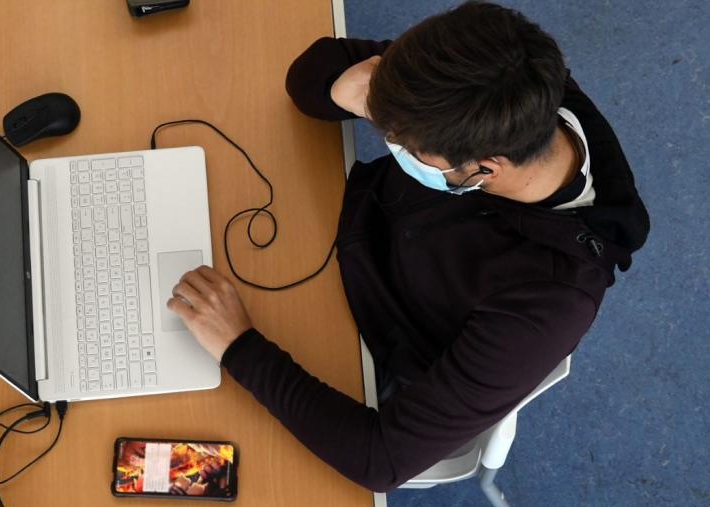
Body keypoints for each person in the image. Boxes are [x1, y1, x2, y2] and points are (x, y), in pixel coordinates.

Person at [167, 1, 649, 492]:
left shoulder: (546, 305)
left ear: (485, 169)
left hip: (380, 337)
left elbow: (379, 461)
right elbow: (311, 73)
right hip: (353, 225)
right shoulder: (498, 75)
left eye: (407, 146)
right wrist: (345, 89)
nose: (393, 142)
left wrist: (239, 346)